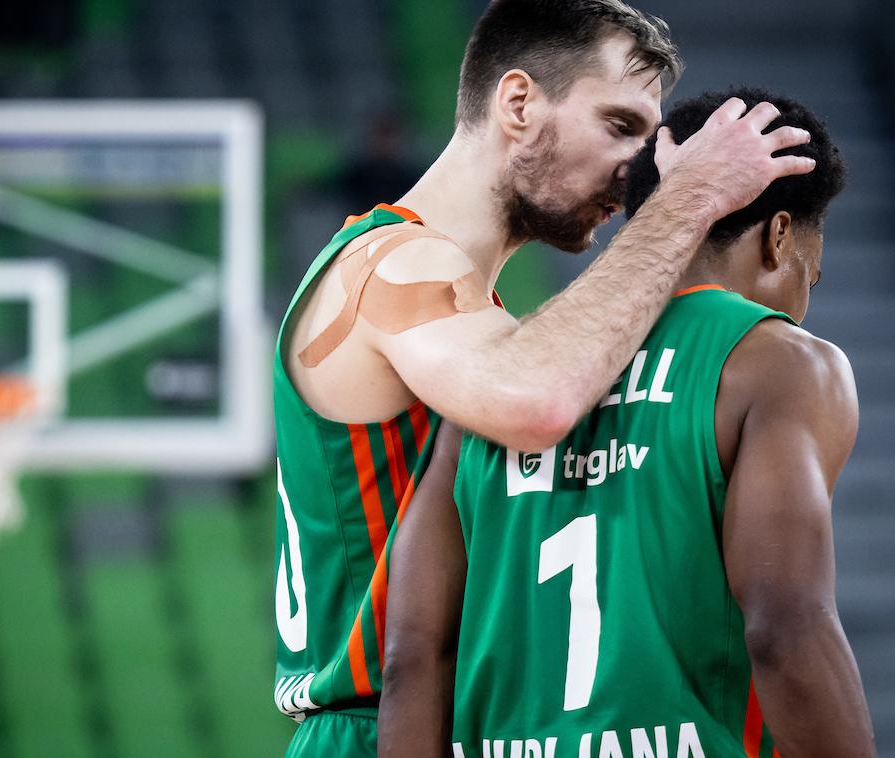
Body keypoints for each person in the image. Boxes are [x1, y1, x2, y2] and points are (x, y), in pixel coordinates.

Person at [274, 0, 818, 753]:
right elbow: (537, 401)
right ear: (519, 103)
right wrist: (692, 198)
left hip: (439, 719)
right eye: (620, 126)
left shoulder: (468, 313)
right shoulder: (393, 265)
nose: (637, 170)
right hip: (374, 727)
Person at [378, 87, 876, 758]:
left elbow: (411, 656)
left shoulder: (498, 373)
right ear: (779, 235)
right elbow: (785, 629)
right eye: (810, 275)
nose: (803, 301)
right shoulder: (781, 363)